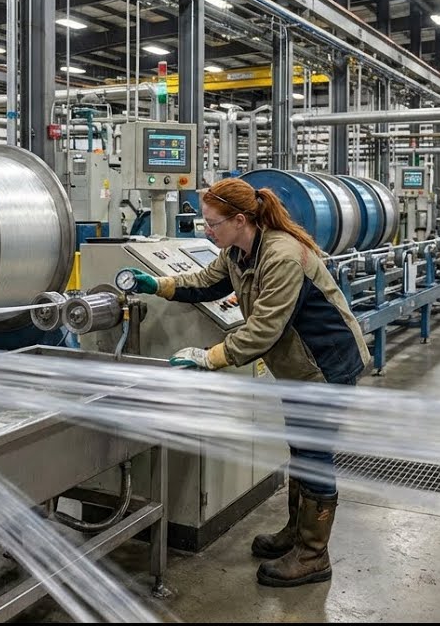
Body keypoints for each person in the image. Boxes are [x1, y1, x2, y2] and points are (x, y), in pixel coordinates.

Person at [125, 178, 371, 588]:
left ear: (240, 220)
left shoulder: (282, 256)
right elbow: (206, 282)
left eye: (212, 223)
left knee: (315, 454)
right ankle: (297, 534)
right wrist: (160, 284)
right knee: (302, 448)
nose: (206, 230)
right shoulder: (238, 251)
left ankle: (314, 556)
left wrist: (208, 358)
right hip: (299, 369)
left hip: (325, 367)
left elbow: (263, 331)